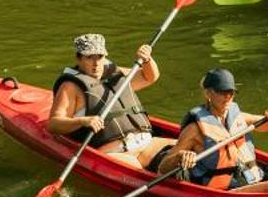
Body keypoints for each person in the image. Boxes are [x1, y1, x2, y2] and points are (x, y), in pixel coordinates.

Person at [48, 33, 175, 168]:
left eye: (100, 57)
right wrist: (83, 121)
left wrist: (148, 60)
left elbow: (149, 77)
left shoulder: (114, 74)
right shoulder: (70, 87)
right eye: (89, 58)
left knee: (190, 147)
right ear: (78, 59)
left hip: (146, 143)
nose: (96, 64)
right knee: (153, 174)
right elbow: (53, 124)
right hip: (117, 153)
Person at [153, 67, 268, 193]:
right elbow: (163, 168)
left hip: (249, 178)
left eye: (231, 92)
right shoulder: (194, 130)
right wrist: (179, 156)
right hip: (222, 190)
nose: (228, 96)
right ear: (208, 93)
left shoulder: (239, 117)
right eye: (222, 92)